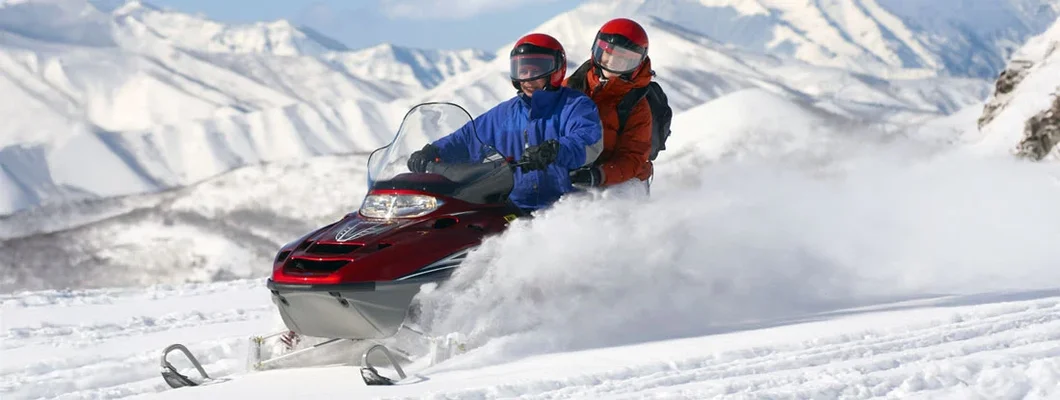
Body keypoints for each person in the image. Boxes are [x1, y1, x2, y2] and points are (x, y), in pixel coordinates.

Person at [406, 33, 604, 214]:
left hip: (562, 209)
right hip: (511, 209)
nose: (528, 79)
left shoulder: (575, 105)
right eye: (522, 70)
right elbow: (466, 139)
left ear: (556, 70)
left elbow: (587, 141)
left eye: (537, 70)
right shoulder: (505, 114)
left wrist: (554, 150)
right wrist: (434, 152)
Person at [563, 18, 654, 191]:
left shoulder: (637, 106)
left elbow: (633, 157)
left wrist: (598, 175)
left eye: (625, 58)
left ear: (638, 63)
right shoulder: (572, 86)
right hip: (575, 172)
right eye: (608, 53)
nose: (613, 61)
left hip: (623, 179)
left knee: (610, 210)